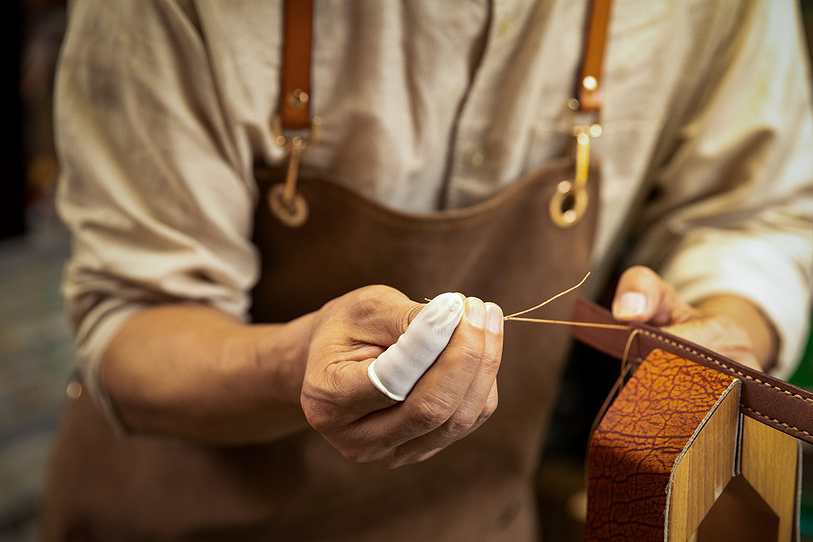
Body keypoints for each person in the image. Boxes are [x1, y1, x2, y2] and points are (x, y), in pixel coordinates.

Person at [43, 1, 812, 541]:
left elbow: (753, 216)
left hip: (472, 519)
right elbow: (132, 319)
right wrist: (289, 364)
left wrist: (727, 320)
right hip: (183, 518)